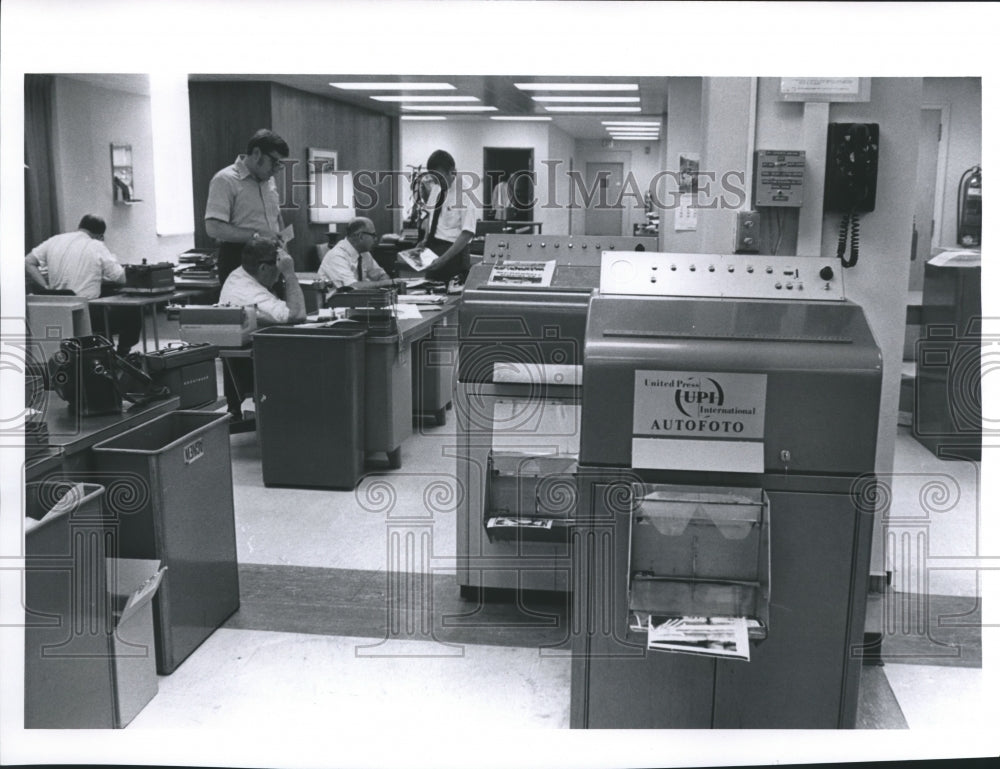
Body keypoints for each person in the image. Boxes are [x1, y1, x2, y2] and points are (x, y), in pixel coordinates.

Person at [24, 214, 140, 356]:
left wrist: (45, 287)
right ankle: (123, 353)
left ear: (80, 227)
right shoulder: (96, 245)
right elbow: (121, 278)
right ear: (99, 235)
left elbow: (28, 262)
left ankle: (106, 349)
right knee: (133, 309)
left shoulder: (55, 240)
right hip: (87, 313)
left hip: (57, 307)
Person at [218, 239, 307, 420]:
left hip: (251, 356)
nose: (279, 274)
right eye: (278, 268)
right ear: (264, 268)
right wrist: (290, 274)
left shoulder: (239, 275)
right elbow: (296, 315)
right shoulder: (247, 290)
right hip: (253, 363)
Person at [205, 129, 290, 285]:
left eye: (280, 164)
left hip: (272, 258)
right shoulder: (225, 180)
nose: (276, 169)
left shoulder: (268, 180)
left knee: (277, 308)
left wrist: (284, 249)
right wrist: (257, 235)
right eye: (274, 162)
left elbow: (276, 216)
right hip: (240, 258)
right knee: (248, 309)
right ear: (257, 153)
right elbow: (213, 228)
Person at [411, 149, 476, 283]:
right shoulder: (437, 187)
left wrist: (443, 259)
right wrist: (425, 239)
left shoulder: (465, 192)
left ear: (452, 172)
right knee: (430, 293)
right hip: (433, 250)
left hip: (453, 254)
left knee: (450, 299)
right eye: (433, 178)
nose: (437, 182)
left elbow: (467, 233)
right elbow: (431, 217)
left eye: (439, 178)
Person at [318, 216, 405, 294]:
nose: (375, 239)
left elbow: (381, 275)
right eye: (373, 235)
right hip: (334, 307)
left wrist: (384, 283)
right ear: (360, 236)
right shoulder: (337, 256)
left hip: (359, 303)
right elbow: (351, 288)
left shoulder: (364, 253)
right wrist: (388, 283)